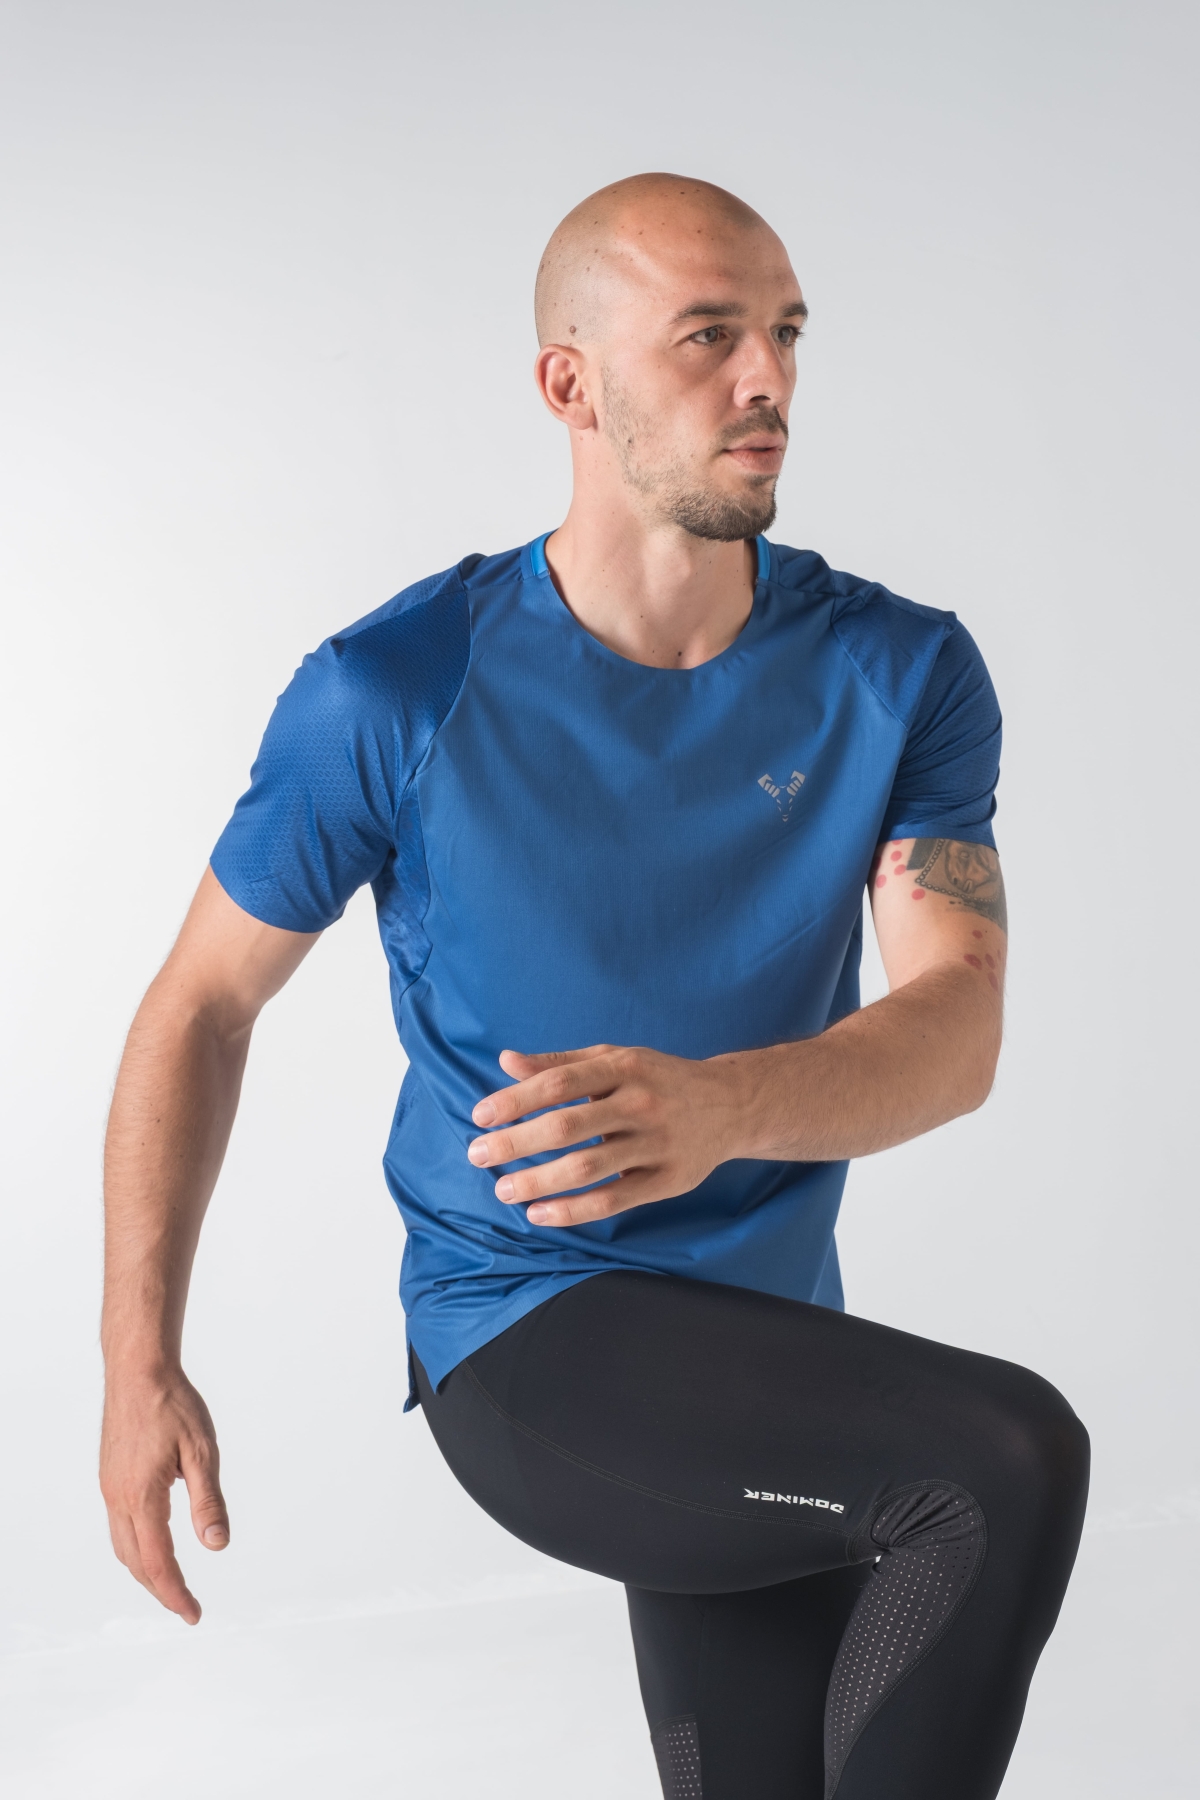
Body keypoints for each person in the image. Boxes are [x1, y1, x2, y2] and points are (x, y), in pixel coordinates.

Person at [100, 173, 1088, 1799]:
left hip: (767, 1337)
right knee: (997, 1467)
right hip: (526, 1329)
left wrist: (720, 1111)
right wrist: (138, 1363)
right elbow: (200, 1005)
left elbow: (955, 1027)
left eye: (786, 333)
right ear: (572, 384)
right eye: (709, 336)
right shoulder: (393, 689)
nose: (766, 378)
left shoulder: (901, 671)